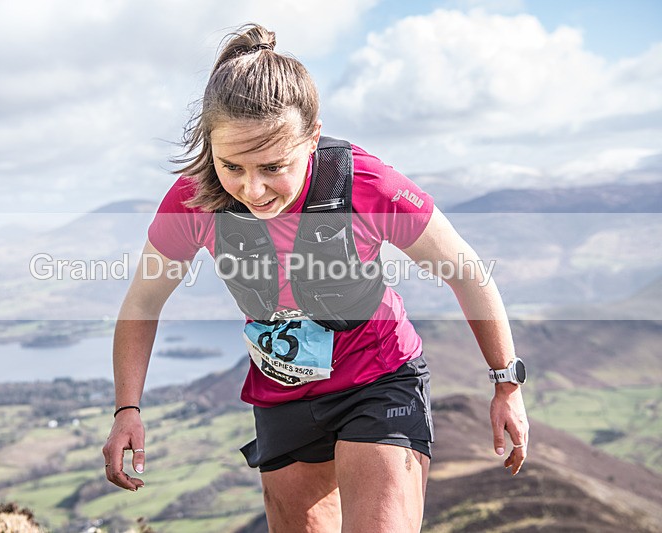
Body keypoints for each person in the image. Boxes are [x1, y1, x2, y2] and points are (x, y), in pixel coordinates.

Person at [103, 23, 529, 532]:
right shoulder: (193, 199)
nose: (252, 189)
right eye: (231, 166)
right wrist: (126, 407)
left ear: (312, 137)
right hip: (282, 394)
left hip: (379, 377)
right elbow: (143, 302)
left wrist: (506, 384)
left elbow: (466, 271)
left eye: (271, 166)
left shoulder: (367, 185)